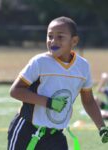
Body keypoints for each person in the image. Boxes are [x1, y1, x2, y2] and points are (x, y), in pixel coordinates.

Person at [8, 16, 108, 150]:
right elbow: (15, 91)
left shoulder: (83, 67)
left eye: (60, 37)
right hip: (27, 130)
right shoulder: (39, 62)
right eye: (50, 36)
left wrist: (101, 127)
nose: (53, 41)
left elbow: (89, 101)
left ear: (74, 41)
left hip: (56, 136)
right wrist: (48, 102)